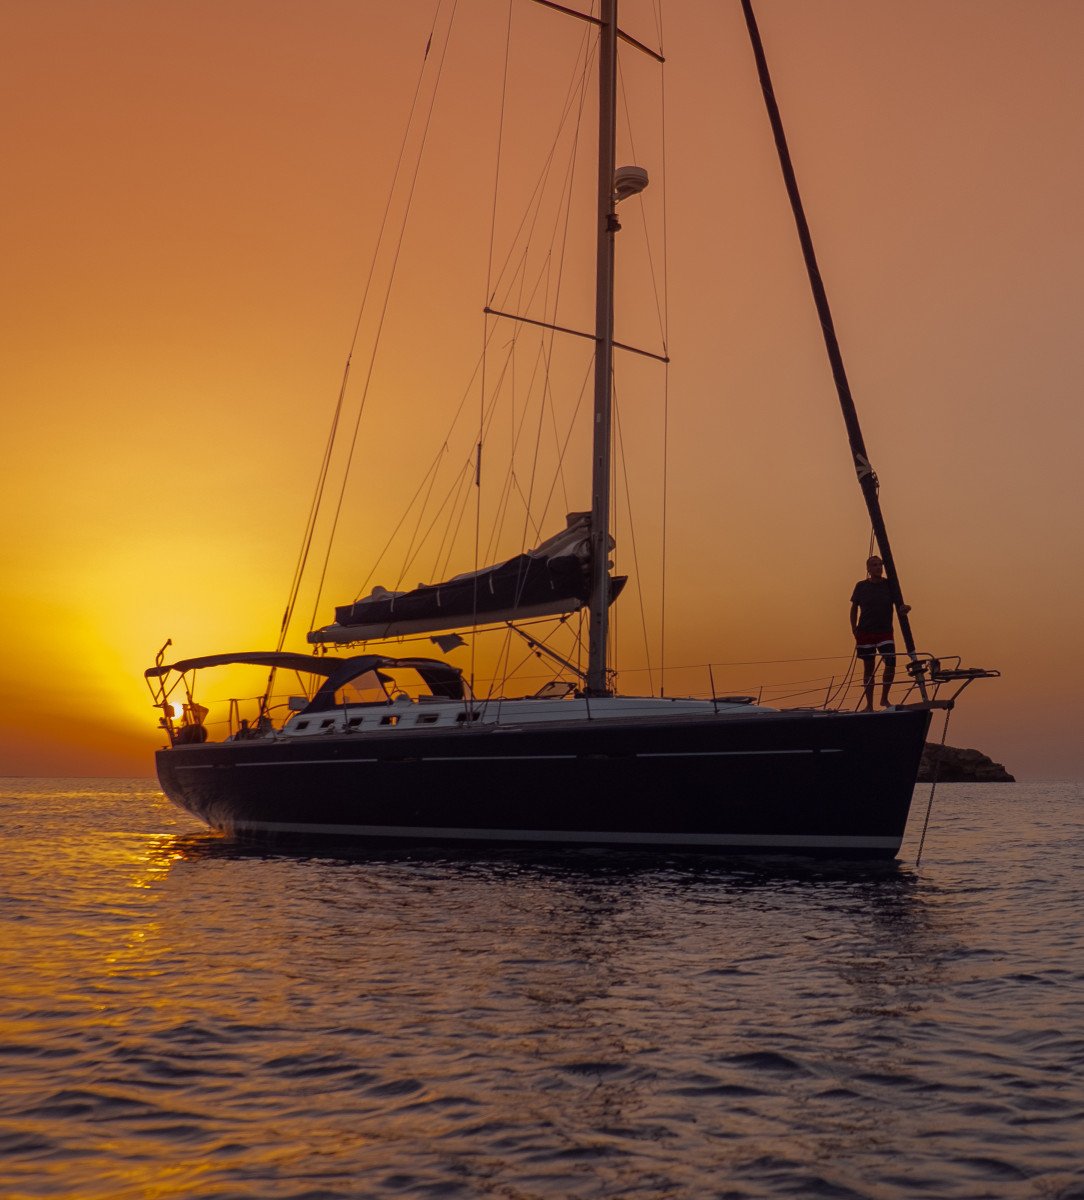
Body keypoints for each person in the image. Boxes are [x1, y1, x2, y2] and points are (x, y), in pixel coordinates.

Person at [849, 555, 910, 710]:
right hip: (865, 631)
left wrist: (904, 608)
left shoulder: (889, 585)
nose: (878, 567)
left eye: (880, 565)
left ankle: (884, 699)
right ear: (868, 569)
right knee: (869, 668)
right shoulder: (861, 586)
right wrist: (854, 628)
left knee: (890, 664)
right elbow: (854, 607)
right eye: (874, 565)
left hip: (885, 631)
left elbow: (899, 604)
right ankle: (869, 704)